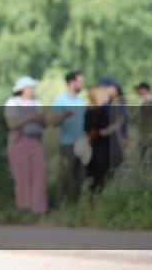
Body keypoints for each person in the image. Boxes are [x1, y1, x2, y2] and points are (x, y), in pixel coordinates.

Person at [4, 76, 47, 214]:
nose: (32, 90)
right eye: (30, 87)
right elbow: (11, 124)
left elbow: (44, 123)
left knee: (39, 175)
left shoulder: (37, 103)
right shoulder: (12, 103)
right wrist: (30, 117)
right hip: (18, 141)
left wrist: (40, 119)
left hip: (35, 141)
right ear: (23, 89)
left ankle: (38, 209)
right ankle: (23, 208)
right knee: (22, 176)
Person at [52, 71, 86, 206]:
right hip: (67, 144)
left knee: (80, 177)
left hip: (81, 144)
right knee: (65, 176)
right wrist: (64, 115)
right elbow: (54, 123)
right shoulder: (60, 101)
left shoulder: (81, 102)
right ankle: (61, 206)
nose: (82, 85)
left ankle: (76, 206)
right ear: (71, 82)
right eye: (80, 82)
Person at [84, 83, 119, 194]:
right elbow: (104, 130)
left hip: (93, 146)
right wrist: (115, 126)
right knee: (104, 175)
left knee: (96, 177)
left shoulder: (88, 111)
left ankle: (93, 200)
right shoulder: (105, 110)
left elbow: (86, 131)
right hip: (104, 146)